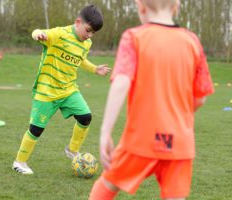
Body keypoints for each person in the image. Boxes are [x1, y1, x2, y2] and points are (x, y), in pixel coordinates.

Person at [89, 0, 215, 199]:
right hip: (180, 143)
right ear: (177, 6)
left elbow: (121, 82)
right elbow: (200, 99)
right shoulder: (193, 42)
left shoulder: (134, 37)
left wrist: (106, 131)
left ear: (141, 7)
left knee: (107, 185)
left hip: (140, 140)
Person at [12, 4, 111, 174]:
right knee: (36, 129)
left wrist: (95, 69)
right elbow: (37, 31)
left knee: (85, 117)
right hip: (47, 91)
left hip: (69, 90)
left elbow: (81, 60)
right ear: (78, 22)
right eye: (87, 30)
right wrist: (38, 35)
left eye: (93, 33)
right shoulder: (59, 34)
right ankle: (19, 162)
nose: (89, 35)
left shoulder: (86, 44)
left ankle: (72, 150)